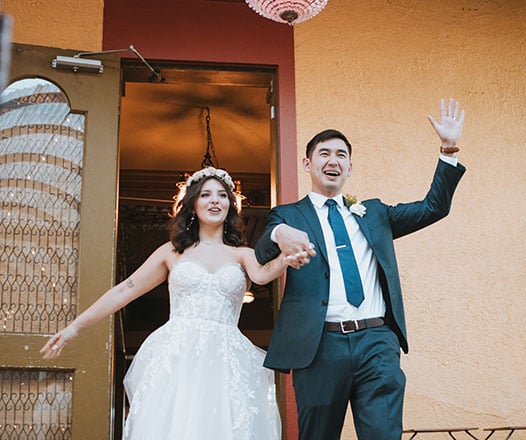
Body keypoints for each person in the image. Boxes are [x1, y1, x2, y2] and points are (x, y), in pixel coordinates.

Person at [254, 98, 467, 440]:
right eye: (324, 153)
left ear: (350, 168)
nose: (333, 161)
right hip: (320, 345)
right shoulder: (288, 215)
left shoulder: (375, 213)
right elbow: (262, 252)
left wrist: (448, 148)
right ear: (308, 163)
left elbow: (433, 207)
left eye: (341, 155)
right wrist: (279, 234)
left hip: (377, 342)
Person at [41, 167, 291, 440]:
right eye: (206, 195)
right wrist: (76, 326)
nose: (215, 201)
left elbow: (264, 274)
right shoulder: (172, 253)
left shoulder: (243, 254)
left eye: (222, 195)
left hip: (226, 358)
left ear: (231, 205)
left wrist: (286, 257)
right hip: (178, 355)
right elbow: (124, 291)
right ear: (193, 204)